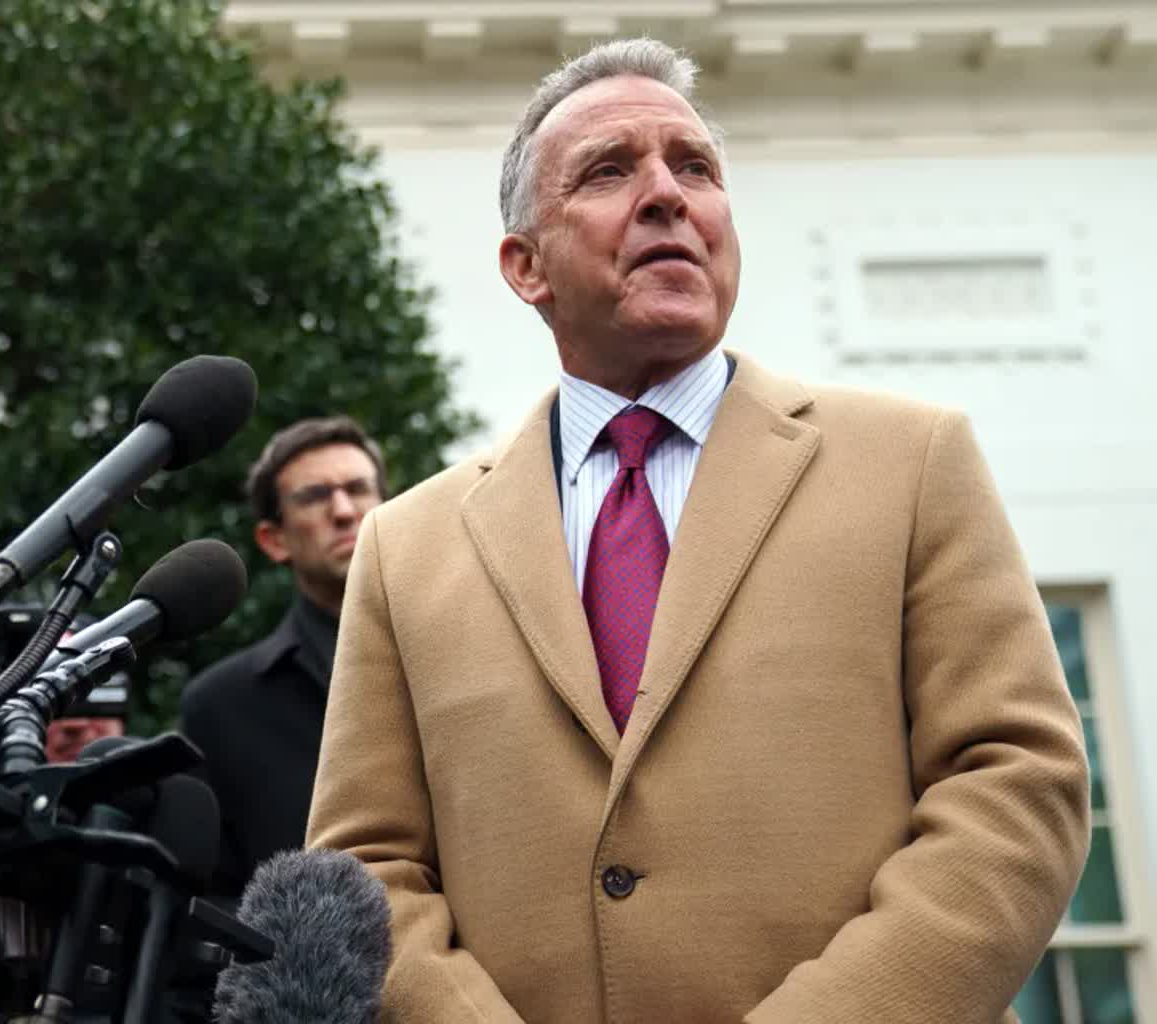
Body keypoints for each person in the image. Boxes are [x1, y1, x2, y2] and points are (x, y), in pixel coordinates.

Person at [305, 37, 1090, 1024]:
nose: (667, 195)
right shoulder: (405, 547)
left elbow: (1017, 785)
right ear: (525, 266)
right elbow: (365, 866)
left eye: (695, 168)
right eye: (608, 171)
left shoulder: (913, 462)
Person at [180, 416, 387, 903]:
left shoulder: (467, 656)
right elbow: (212, 904)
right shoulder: (219, 707)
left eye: (358, 489)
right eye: (314, 496)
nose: (343, 511)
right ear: (274, 540)